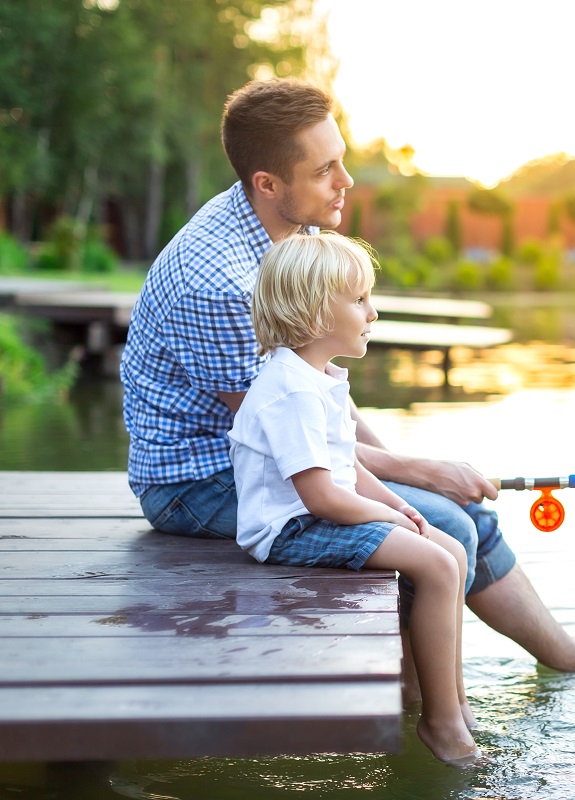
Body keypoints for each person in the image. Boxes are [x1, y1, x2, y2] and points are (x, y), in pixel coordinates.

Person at [119, 77, 575, 689]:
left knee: (459, 512)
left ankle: (562, 661)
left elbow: (323, 402)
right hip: (199, 479)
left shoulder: (292, 226)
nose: (346, 182)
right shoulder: (220, 284)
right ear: (269, 184)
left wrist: (415, 467)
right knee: (445, 523)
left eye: (341, 161)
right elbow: (284, 433)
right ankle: (420, 711)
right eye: (326, 170)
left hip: (280, 452)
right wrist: (419, 472)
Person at [229, 232, 478, 765]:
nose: (374, 312)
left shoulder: (318, 379)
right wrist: (389, 515)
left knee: (451, 551)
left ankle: (449, 699)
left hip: (321, 512)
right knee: (435, 566)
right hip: (289, 529)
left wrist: (401, 506)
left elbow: (351, 466)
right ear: (317, 313)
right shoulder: (291, 389)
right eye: (360, 299)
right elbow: (321, 496)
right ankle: (442, 724)